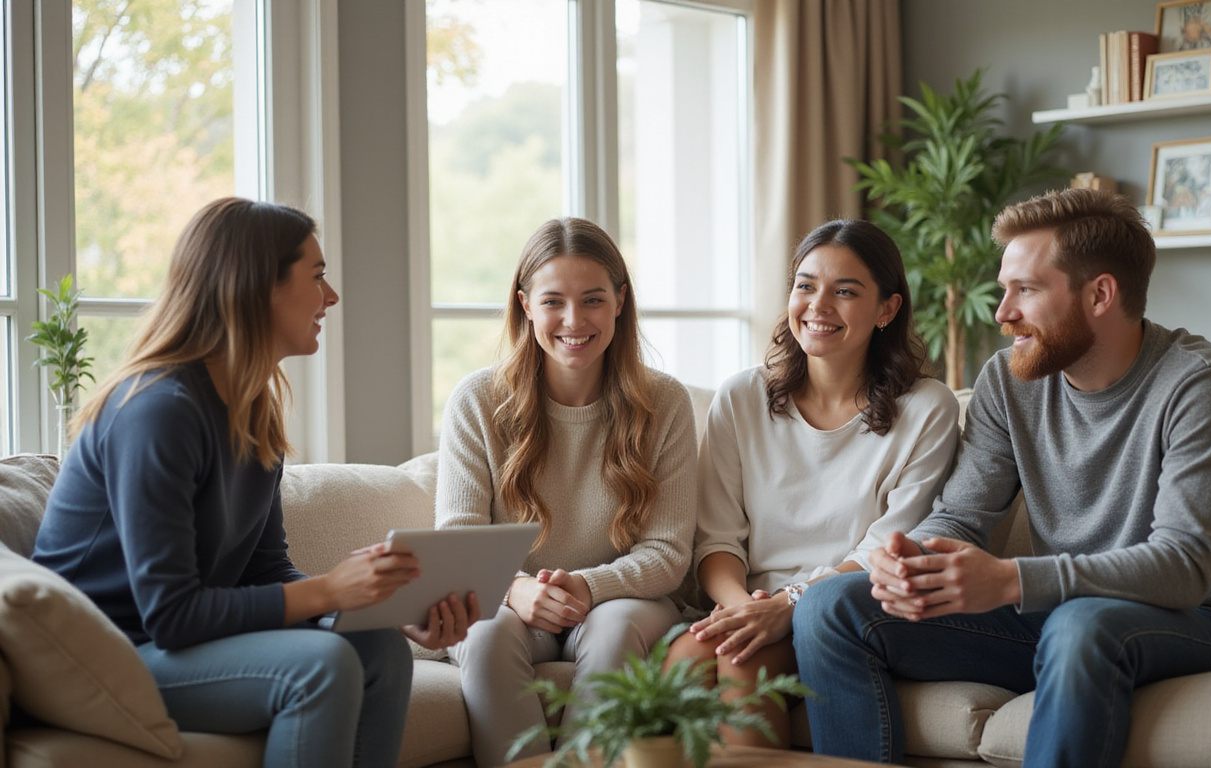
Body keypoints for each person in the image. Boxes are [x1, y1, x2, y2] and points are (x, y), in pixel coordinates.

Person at [794, 188, 1211, 767]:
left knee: (1082, 625)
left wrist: (1009, 580)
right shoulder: (1009, 381)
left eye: (1025, 290)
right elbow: (962, 517)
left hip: (1208, 623)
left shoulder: (1200, 385)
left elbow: (1184, 567)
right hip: (1060, 619)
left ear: (1101, 293)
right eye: (1006, 289)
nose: (1002, 312)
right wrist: (909, 559)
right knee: (829, 607)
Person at [33, 198, 480, 768]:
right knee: (323, 667)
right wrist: (329, 592)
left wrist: (375, 608)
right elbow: (170, 614)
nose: (332, 297)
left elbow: (265, 572)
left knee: (381, 649)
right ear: (254, 288)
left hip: (168, 647)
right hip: (100, 656)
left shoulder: (252, 410)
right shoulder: (157, 410)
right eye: (317, 277)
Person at [665, 219, 961, 749]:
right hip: (749, 599)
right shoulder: (740, 399)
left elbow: (886, 547)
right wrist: (744, 608)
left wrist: (790, 604)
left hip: (849, 606)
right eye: (806, 285)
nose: (818, 306)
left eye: (845, 291)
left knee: (742, 657)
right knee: (678, 667)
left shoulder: (927, 409)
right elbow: (716, 541)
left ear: (887, 309)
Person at [435, 217, 698, 768]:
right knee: (484, 634)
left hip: (620, 601)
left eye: (594, 299)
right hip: (510, 602)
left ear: (621, 302)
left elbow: (668, 553)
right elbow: (458, 541)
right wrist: (516, 589)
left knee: (615, 626)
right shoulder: (477, 399)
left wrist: (586, 586)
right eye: (553, 301)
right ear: (525, 304)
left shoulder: (665, 402)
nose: (574, 321)